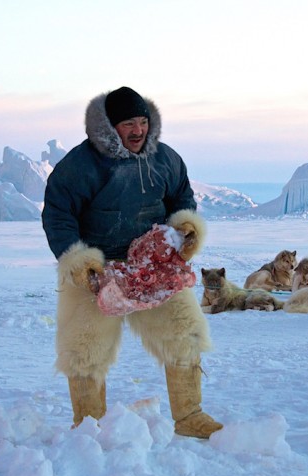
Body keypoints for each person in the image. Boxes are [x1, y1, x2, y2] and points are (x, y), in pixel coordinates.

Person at [42, 86, 223, 439]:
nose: (138, 130)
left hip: (153, 265)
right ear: (110, 127)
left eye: (143, 121)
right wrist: (79, 263)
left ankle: (189, 415)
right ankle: (89, 428)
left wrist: (184, 230)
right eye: (128, 123)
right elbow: (59, 216)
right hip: (94, 270)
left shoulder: (166, 159)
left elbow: (181, 198)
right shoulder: (79, 167)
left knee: (184, 332)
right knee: (84, 348)